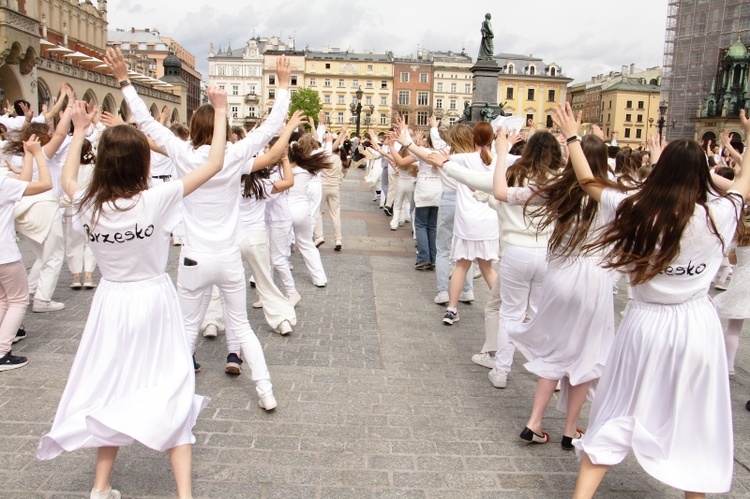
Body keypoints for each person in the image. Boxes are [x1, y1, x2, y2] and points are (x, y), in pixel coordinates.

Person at [37, 88, 227, 499]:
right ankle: (184, 495)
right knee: (174, 389)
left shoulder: (88, 204)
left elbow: (68, 178)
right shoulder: (155, 199)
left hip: (111, 302)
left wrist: (78, 131)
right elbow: (214, 162)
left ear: (103, 162)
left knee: (112, 388)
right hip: (154, 300)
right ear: (143, 162)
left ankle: (101, 486)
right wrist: (222, 110)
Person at [555, 103, 750, 499]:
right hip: (695, 325)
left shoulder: (633, 208)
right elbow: (745, 182)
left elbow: (588, 180)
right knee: (695, 416)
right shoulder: (719, 215)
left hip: (645, 323)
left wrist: (573, 136)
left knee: (619, 407)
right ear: (702, 176)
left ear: (658, 172)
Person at [107, 46, 285, 410]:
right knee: (242, 328)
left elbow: (145, 120)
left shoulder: (182, 153)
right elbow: (270, 127)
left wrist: (124, 79)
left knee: (186, 329)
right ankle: (265, 392)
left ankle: (177, 396)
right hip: (228, 256)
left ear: (194, 130)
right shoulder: (234, 156)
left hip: (193, 256)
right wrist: (282, 85)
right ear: (220, 127)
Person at [0, 135, 52, 371]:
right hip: (5, 253)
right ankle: (2, 352)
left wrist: (29, 155)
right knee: (19, 299)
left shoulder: (5, 183)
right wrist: (39, 154)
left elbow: (22, 181)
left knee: (3, 299)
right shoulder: (2, 182)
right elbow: (44, 184)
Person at [64, 138, 97, 290]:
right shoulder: (95, 168)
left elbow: (63, 188)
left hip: (73, 207)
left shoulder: (68, 169)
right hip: (91, 207)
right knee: (90, 241)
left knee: (73, 241)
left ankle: (76, 275)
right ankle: (88, 274)